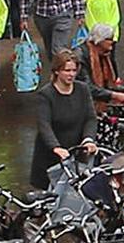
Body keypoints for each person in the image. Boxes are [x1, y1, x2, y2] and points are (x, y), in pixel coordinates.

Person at [32, 45, 100, 188]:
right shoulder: (45, 95)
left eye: (74, 70)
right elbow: (44, 124)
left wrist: (88, 139)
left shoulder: (82, 89)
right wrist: (55, 147)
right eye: (67, 70)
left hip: (77, 155)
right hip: (51, 158)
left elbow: (90, 117)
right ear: (57, 71)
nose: (71, 74)